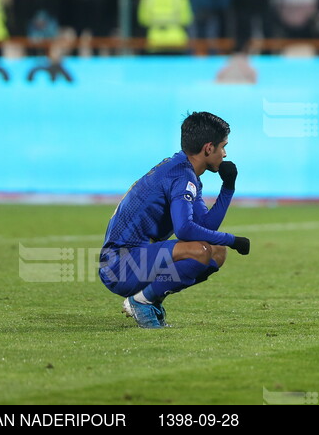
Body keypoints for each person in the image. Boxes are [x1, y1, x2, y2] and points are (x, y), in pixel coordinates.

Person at [98, 112, 251, 329]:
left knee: (217, 251)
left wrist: (228, 188)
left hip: (136, 260)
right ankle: (142, 301)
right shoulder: (181, 176)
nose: (225, 154)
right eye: (223, 146)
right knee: (201, 251)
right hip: (119, 265)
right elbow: (185, 230)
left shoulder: (185, 172)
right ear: (209, 148)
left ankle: (149, 298)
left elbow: (204, 227)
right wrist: (232, 239)